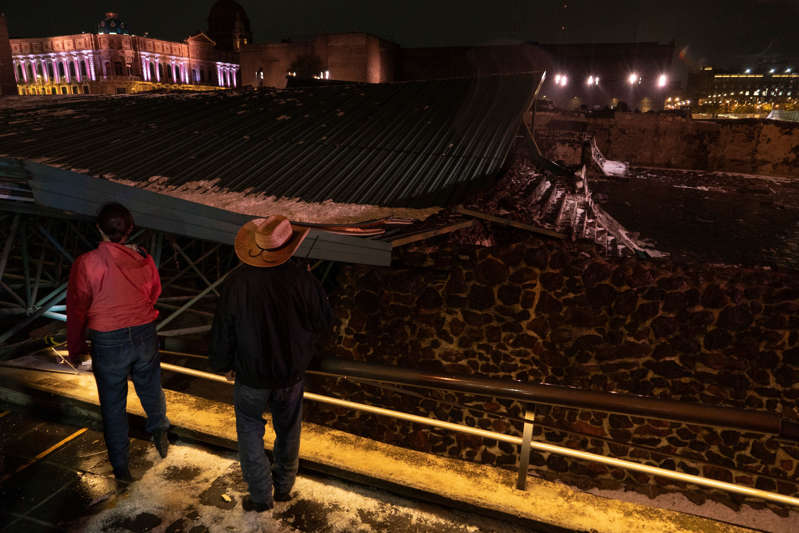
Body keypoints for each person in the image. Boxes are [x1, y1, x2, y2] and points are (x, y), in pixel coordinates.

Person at [210, 215, 332, 512]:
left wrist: (222, 364)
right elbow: (323, 324)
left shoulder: (237, 281)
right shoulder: (305, 281)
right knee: (288, 431)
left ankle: (260, 495)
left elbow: (224, 329)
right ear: (289, 247)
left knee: (249, 432)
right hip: (290, 374)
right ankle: (284, 487)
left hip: (250, 373)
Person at [66, 202, 169, 482]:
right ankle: (160, 430)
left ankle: (122, 469)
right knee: (151, 387)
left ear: (98, 228)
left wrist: (76, 348)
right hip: (144, 332)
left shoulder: (86, 263)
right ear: (129, 230)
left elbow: (77, 309)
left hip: (108, 339)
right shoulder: (143, 258)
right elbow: (154, 292)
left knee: (113, 405)